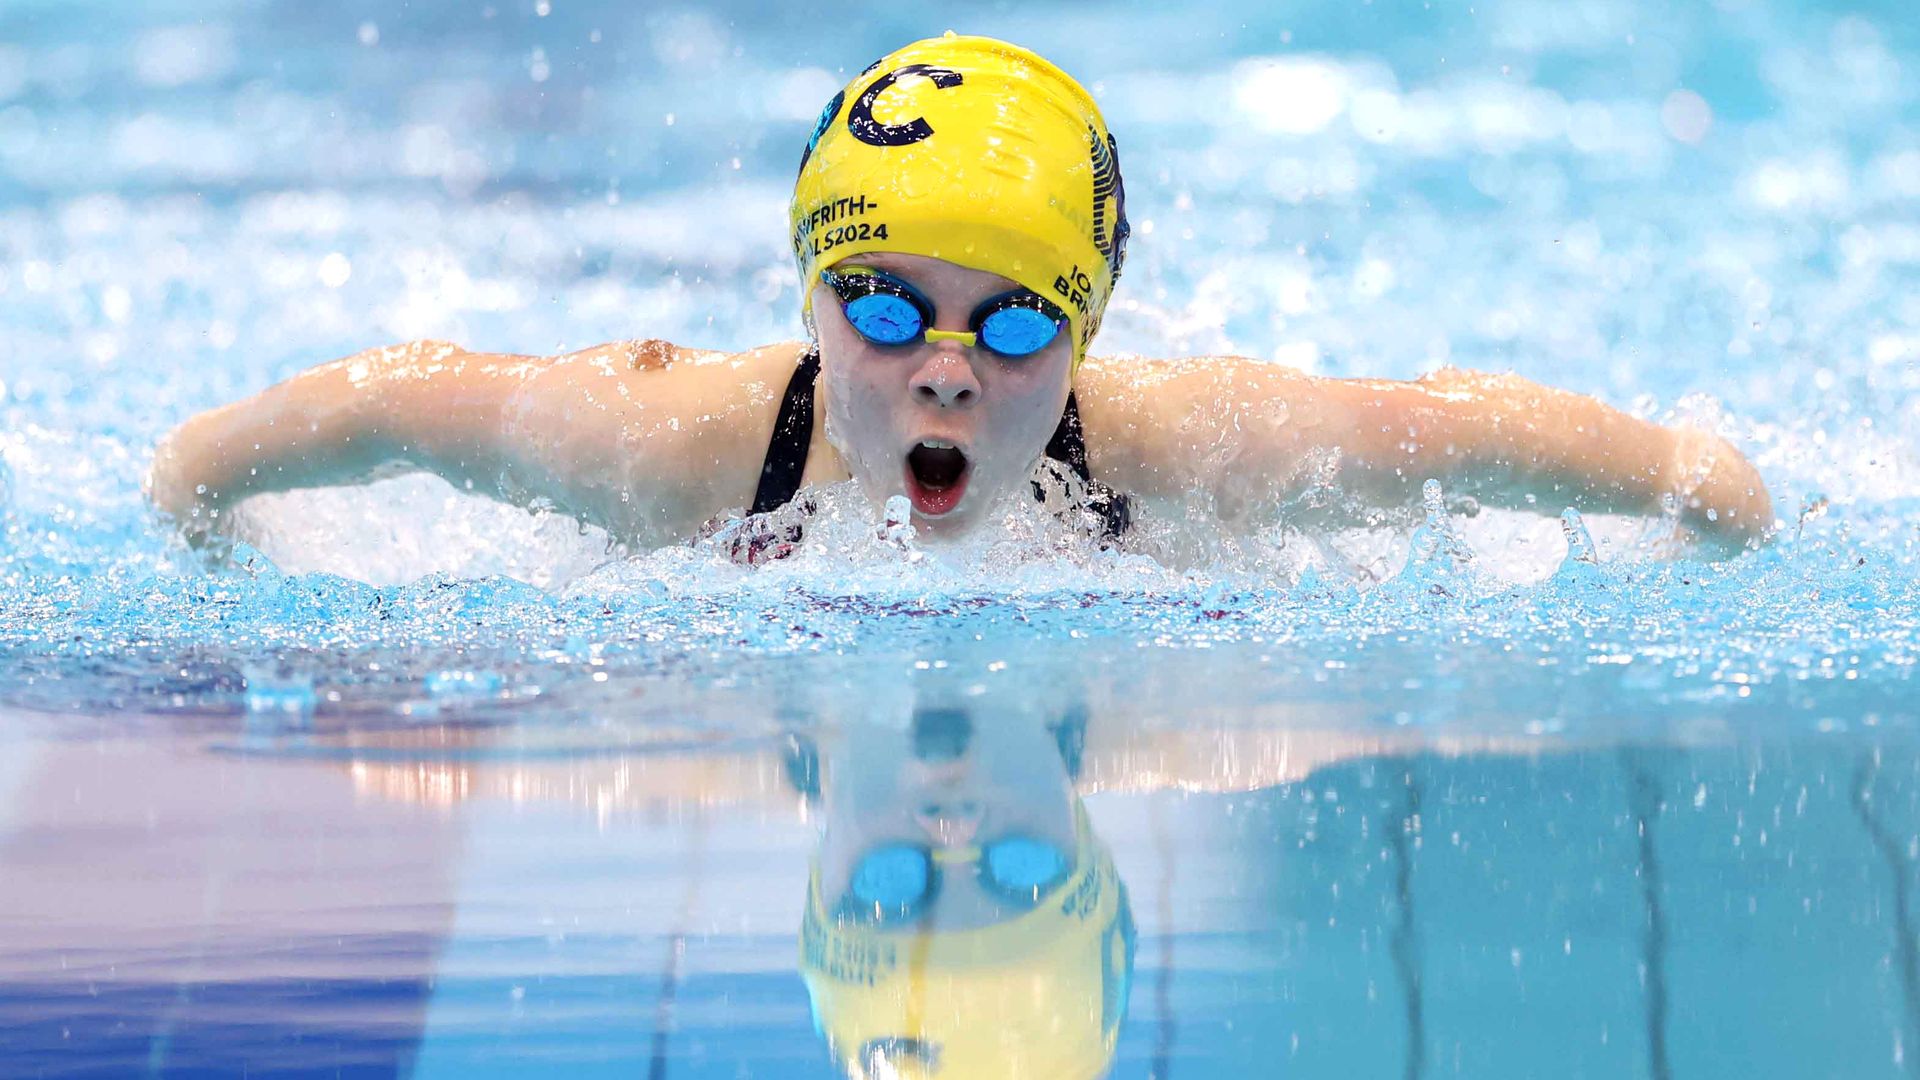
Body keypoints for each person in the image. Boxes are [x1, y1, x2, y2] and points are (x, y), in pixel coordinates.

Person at [146, 34, 1772, 566]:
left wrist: (1716, 507)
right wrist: (209, 517)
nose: (942, 373)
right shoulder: (667, 452)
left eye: (1007, 323)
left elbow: (1456, 430)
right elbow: (368, 404)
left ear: (1086, 335)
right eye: (880, 304)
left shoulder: (1192, 446)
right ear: (805, 303)